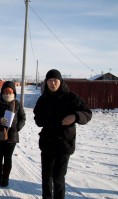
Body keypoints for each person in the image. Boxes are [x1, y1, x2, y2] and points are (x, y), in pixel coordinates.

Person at [33, 69, 92, 199]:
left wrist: (75, 116)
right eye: (50, 80)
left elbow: (87, 113)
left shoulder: (71, 98)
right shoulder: (43, 99)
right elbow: (37, 119)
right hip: (47, 143)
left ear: (60, 81)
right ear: (46, 82)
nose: (53, 83)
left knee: (58, 178)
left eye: (55, 80)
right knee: (46, 176)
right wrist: (43, 118)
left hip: (64, 144)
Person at [0, 81, 26, 187]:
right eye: (5, 91)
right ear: (2, 91)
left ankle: (5, 178)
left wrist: (17, 128)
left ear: (14, 92)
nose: (7, 93)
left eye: (10, 91)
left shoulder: (17, 103)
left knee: (8, 158)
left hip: (12, 136)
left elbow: (23, 118)